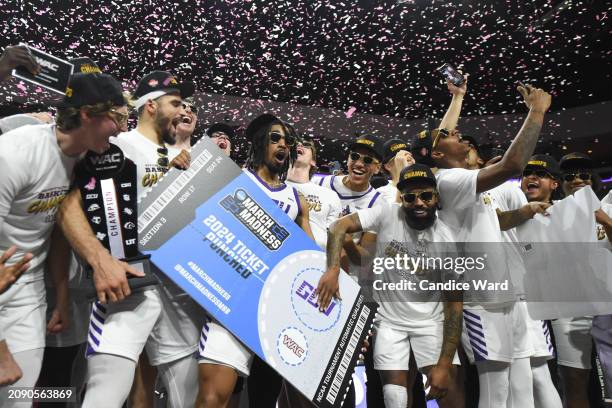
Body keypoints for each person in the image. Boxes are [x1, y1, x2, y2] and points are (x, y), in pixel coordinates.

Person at [57, 70, 202, 408]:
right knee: (105, 394)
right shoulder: (115, 147)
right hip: (130, 288)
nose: (184, 111)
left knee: (187, 396)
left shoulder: (180, 159)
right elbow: (73, 205)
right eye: (176, 103)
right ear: (150, 106)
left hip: (177, 292)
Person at [411, 76, 551, 407]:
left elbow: (495, 220)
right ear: (438, 154)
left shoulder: (461, 181)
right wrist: (536, 112)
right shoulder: (448, 180)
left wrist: (525, 212)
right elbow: (513, 164)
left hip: (507, 295)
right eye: (449, 136)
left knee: (522, 388)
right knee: (497, 391)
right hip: (482, 301)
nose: (457, 134)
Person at [0, 71, 127, 406]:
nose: (121, 128)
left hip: (27, 293)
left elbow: (58, 226)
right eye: (115, 117)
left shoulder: (82, 159)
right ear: (87, 114)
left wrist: (61, 294)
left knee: (19, 398)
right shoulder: (14, 153)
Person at [323, 163, 465, 408]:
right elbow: (338, 226)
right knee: (394, 398)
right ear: (402, 199)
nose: (418, 202)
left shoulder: (449, 240)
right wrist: (333, 269)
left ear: (436, 196)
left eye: (426, 195)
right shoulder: (387, 213)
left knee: (449, 393)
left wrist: (443, 364)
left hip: (430, 323)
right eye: (410, 197)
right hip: (389, 322)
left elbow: (454, 305)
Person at [196, 114, 313, 408]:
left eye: (288, 140)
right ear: (260, 144)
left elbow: (309, 260)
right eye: (275, 138)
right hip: (231, 304)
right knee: (214, 399)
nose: (284, 145)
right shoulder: (234, 179)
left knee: (263, 400)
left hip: (270, 314)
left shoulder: (297, 200)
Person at [550, 152, 609, 408]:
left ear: (592, 179)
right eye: (569, 176)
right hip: (569, 305)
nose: (576, 180)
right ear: (560, 183)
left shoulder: (609, 206)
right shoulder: (551, 212)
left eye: (583, 175)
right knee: (573, 377)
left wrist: (604, 220)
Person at [286, 136, 342, 249]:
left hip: (313, 259)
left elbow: (334, 239)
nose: (300, 145)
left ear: (313, 161)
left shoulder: (329, 195)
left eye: (306, 145)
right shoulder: (273, 186)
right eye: (295, 144)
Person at [376, 139, 412, 204]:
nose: (408, 157)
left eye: (408, 154)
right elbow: (395, 211)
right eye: (400, 157)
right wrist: (403, 173)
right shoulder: (381, 192)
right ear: (388, 166)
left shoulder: (425, 184)